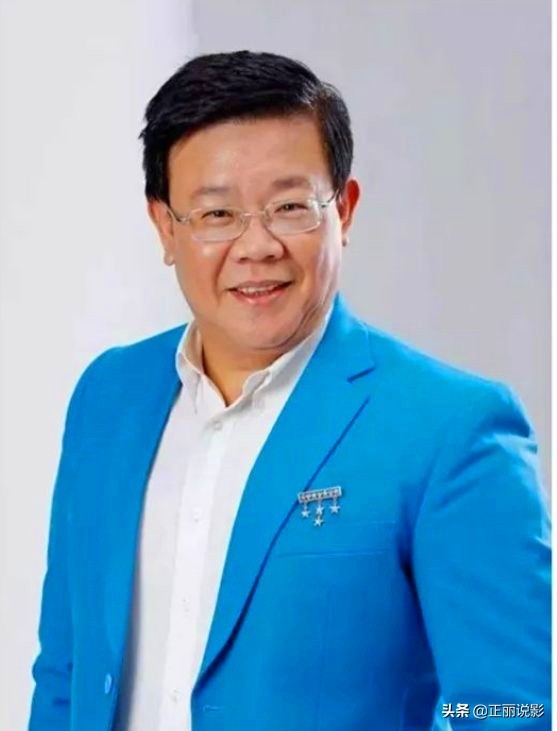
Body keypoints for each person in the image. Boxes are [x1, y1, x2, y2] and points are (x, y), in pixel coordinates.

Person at [29, 50, 550, 731]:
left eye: (289, 207)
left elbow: (512, 707)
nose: (257, 246)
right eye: (217, 213)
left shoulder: (449, 428)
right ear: (165, 227)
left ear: (345, 211)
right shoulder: (108, 398)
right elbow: (65, 675)